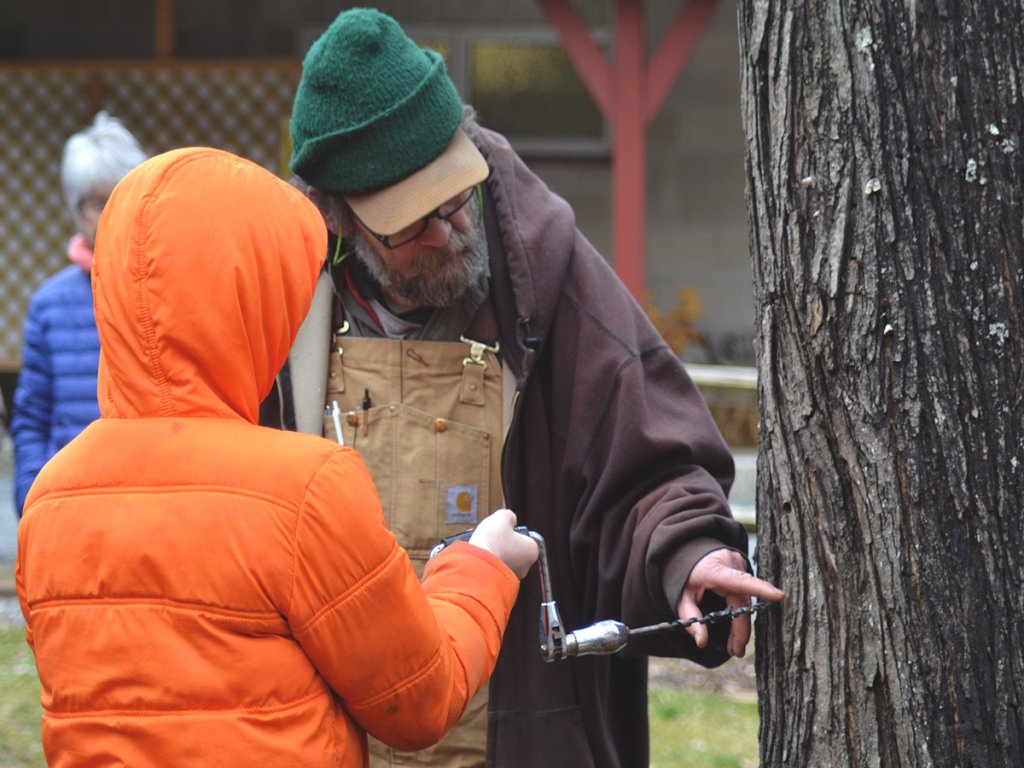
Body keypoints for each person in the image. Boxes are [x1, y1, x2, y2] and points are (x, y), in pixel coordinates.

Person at [282, 8, 785, 768]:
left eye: (455, 198)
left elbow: (647, 461)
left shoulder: (550, 281)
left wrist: (686, 556)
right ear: (339, 218)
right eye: (410, 223)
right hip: (331, 739)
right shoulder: (287, 314)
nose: (449, 231)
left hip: (520, 734)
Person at [15, 146, 539, 766]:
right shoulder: (303, 490)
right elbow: (418, 699)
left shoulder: (50, 500)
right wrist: (480, 568)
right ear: (254, 298)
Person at [9, 111, 147, 517]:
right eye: (93, 203)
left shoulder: (164, 290)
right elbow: (31, 416)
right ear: (74, 211)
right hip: (67, 508)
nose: (106, 214)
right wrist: (31, 497)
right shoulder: (49, 303)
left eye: (118, 196)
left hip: (144, 505)